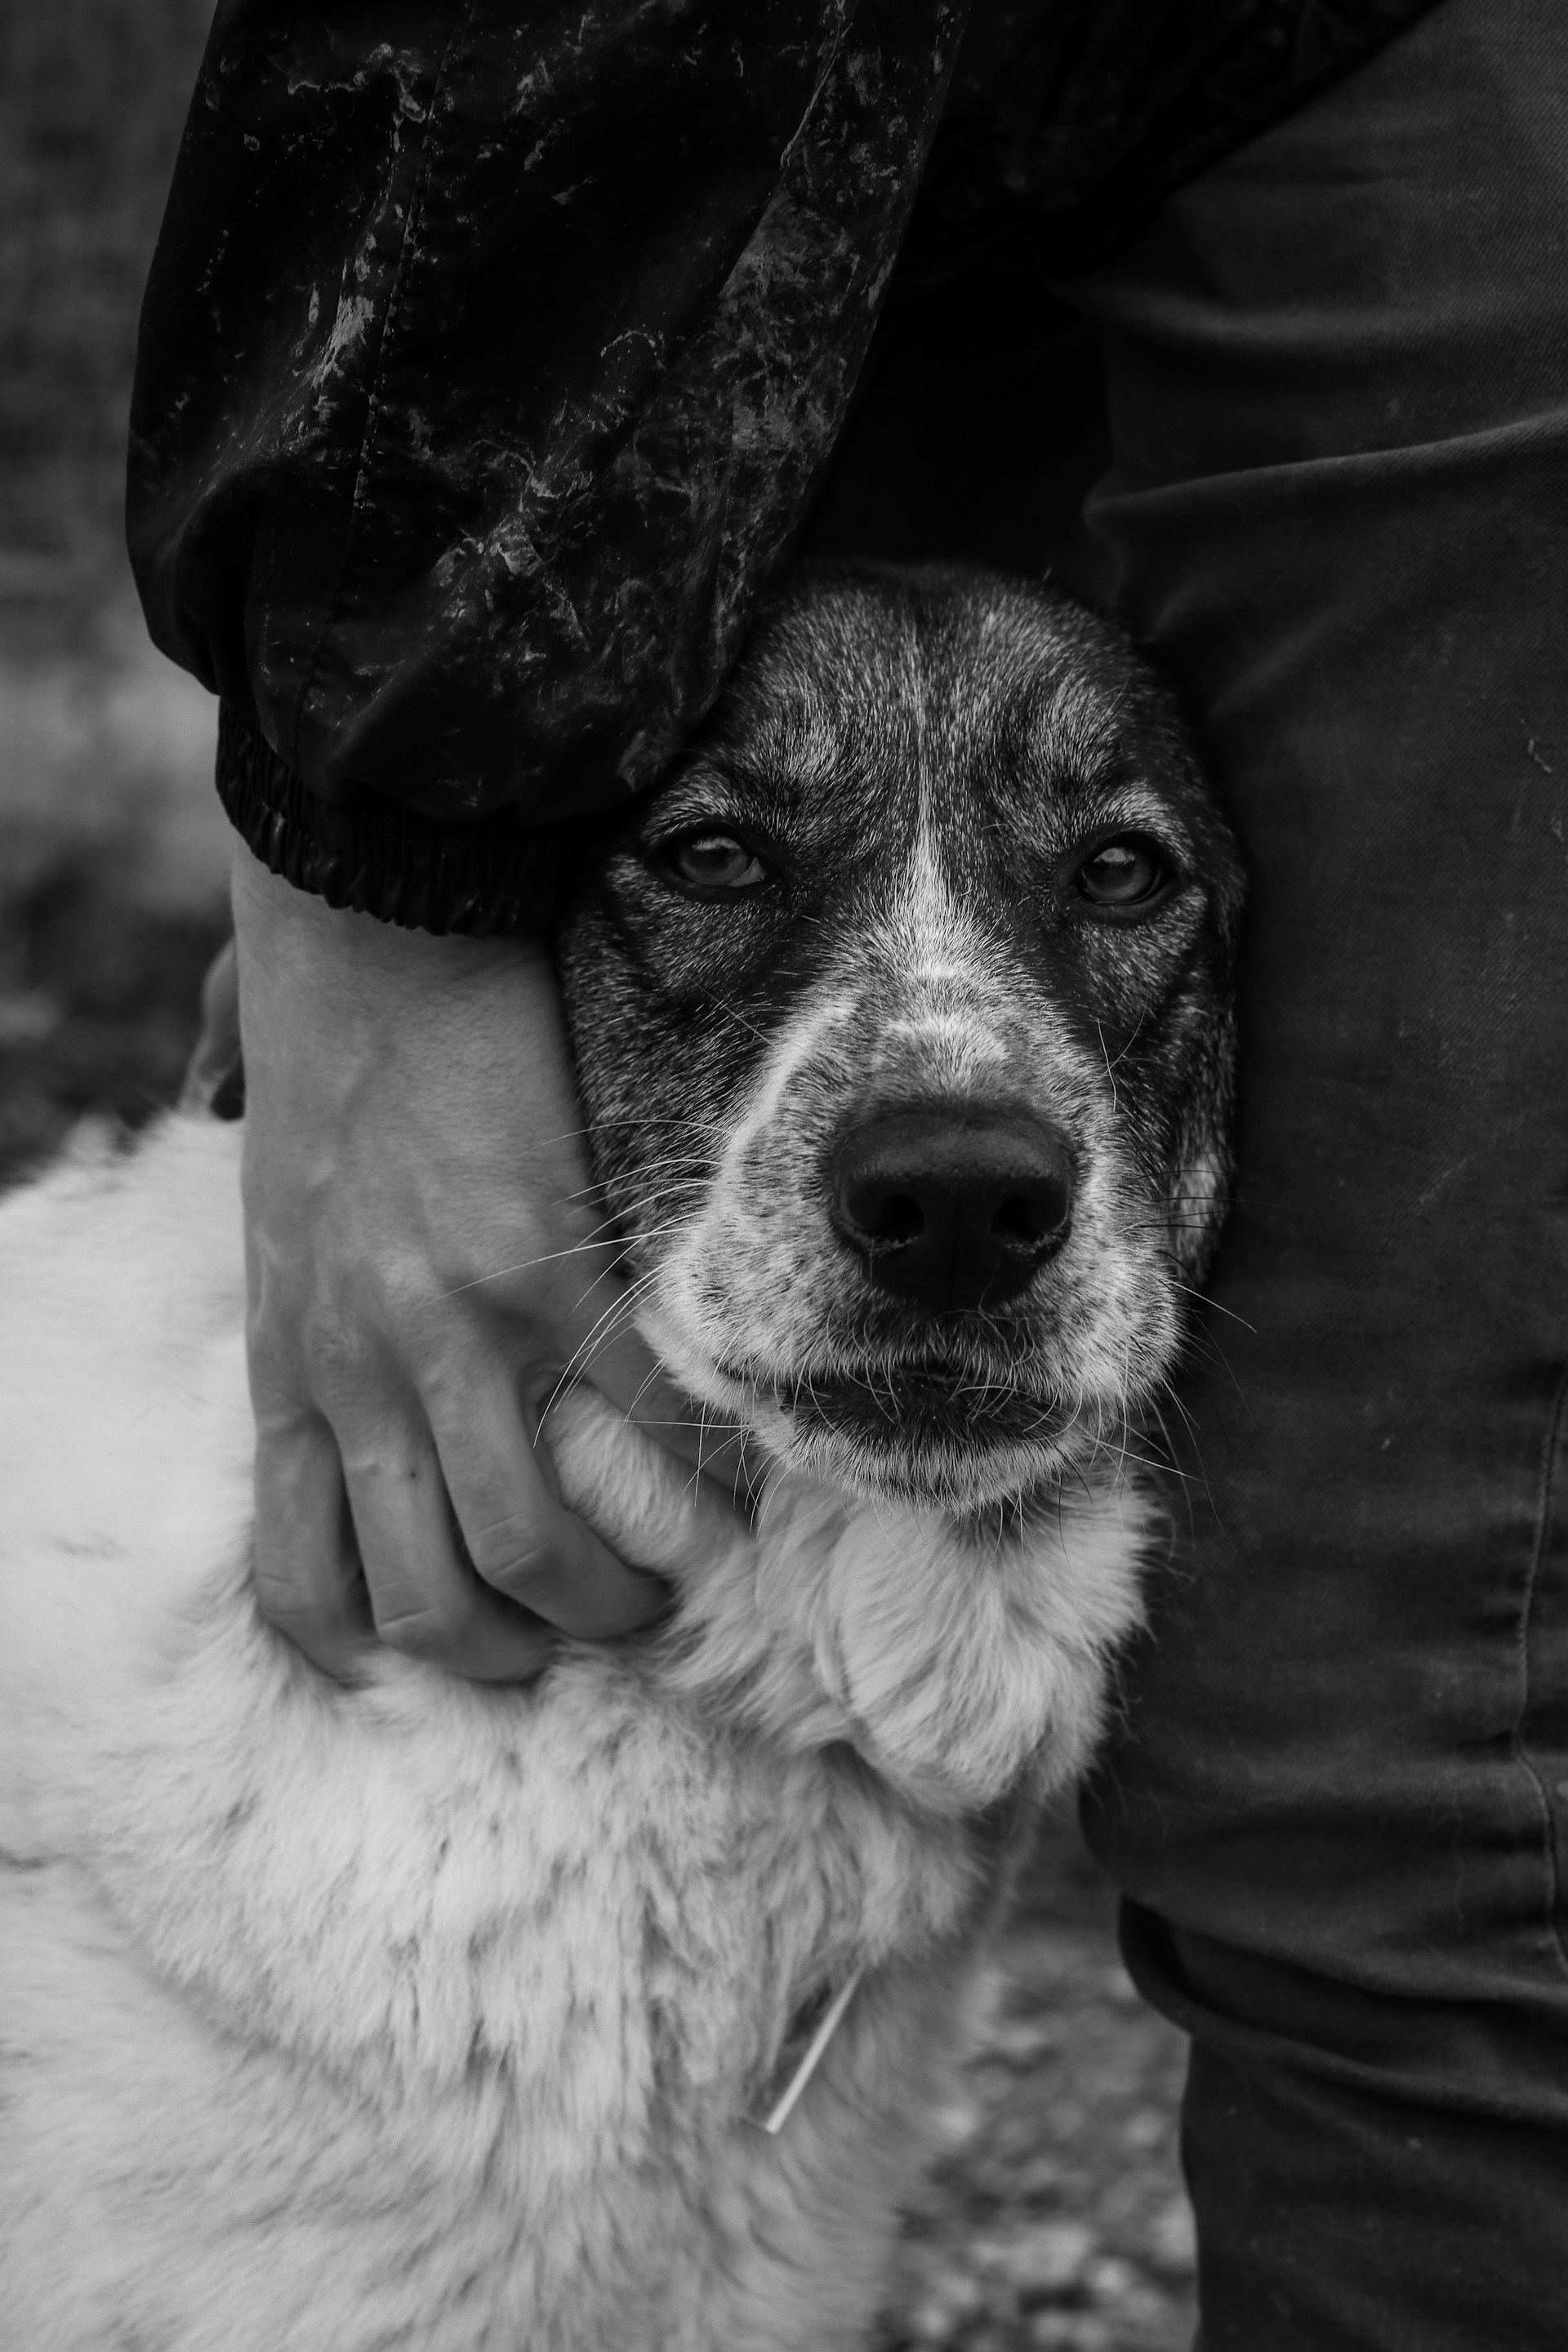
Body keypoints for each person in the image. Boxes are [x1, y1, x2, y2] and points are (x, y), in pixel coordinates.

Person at [128, 2, 1568, 2344]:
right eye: (718, 856)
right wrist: (367, 824)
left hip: (1333, 77)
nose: (957, 1127)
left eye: (1110, 882)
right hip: (748, 145)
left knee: (1415, 1747)